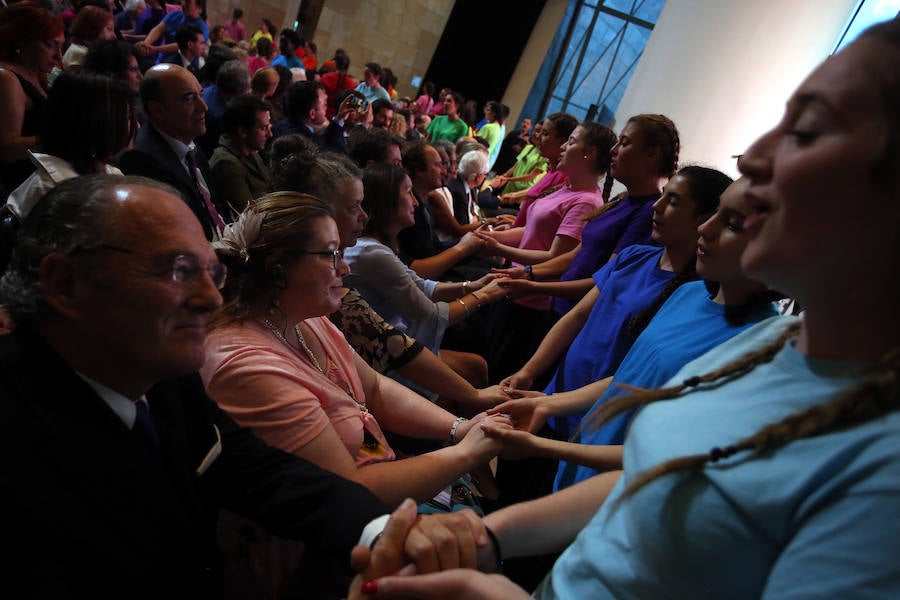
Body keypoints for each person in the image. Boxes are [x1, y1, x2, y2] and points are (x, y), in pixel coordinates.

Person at [349, 19, 900, 598]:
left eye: (806, 131)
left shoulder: (880, 468)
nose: (755, 155)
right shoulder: (767, 344)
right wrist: (487, 536)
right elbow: (649, 477)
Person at [0, 174, 391, 597]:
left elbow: (267, 475)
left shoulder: (163, 373)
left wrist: (385, 533)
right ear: (65, 284)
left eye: (212, 272)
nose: (213, 298)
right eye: (178, 270)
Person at [488, 177, 779, 491]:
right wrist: (547, 403)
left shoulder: (758, 342)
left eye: (732, 224)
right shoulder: (690, 294)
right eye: (716, 215)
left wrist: (546, 443)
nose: (707, 229)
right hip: (583, 445)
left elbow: (668, 453)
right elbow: (628, 378)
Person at [502, 166, 732, 439]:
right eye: (663, 197)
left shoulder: (691, 292)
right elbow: (578, 317)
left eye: (673, 202)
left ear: (704, 220)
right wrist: (529, 370)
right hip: (556, 394)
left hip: (597, 416)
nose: (656, 207)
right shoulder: (634, 256)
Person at [497, 114, 681, 317]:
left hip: (575, 315)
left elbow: (604, 282)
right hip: (558, 306)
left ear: (651, 155)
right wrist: (528, 272)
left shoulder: (645, 212)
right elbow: (576, 255)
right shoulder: (619, 200)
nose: (614, 150)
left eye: (625, 143)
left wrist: (534, 285)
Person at [345, 163, 509, 358]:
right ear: (386, 201)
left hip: (395, 336)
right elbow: (428, 315)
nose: (415, 202)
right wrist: (484, 294)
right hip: (387, 349)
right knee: (475, 349)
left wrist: (473, 286)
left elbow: (421, 285)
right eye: (408, 193)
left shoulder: (377, 246)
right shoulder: (371, 252)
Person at [4, 71, 135, 227]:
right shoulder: (57, 190)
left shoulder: (105, 171)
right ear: (94, 123)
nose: (136, 125)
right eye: (126, 117)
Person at [119, 64, 229, 241]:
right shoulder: (142, 161)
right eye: (188, 99)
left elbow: (213, 208)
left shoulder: (188, 141)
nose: (204, 107)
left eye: (200, 95)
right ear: (157, 109)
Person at [0, 2, 64, 193]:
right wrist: (66, 137)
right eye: (50, 45)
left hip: (45, 176)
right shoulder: (6, 77)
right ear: (22, 41)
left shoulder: (37, 73)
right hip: (26, 186)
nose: (58, 56)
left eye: (60, 46)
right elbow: (7, 148)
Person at [208, 94, 272, 218]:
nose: (270, 134)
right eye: (263, 128)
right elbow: (247, 216)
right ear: (243, 131)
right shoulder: (227, 165)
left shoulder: (251, 150)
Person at [135, 0, 208, 63]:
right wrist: (146, 43)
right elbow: (158, 29)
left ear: (199, 6)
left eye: (188, 1)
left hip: (182, 66)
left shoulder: (202, 27)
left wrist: (155, 49)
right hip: (162, 61)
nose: (183, 3)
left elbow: (182, 45)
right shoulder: (175, 14)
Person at [62, 4, 117, 71]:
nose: (114, 36)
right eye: (109, 29)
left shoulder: (86, 48)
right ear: (93, 28)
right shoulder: (80, 53)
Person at [320, 49, 357, 119]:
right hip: (340, 117)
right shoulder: (351, 83)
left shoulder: (326, 77)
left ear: (335, 63)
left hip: (323, 113)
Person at [475, 101, 507, 170]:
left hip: (476, 158)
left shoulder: (488, 127)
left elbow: (475, 143)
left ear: (494, 113)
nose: (485, 112)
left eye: (488, 110)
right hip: (484, 160)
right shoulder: (498, 128)